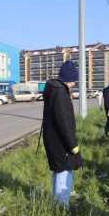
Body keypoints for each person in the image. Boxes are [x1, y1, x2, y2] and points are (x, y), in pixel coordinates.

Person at [42, 60, 82, 208]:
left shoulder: (55, 89)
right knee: (64, 173)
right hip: (60, 143)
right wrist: (73, 146)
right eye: (74, 80)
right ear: (68, 78)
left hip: (53, 140)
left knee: (58, 172)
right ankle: (61, 208)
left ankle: (57, 203)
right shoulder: (60, 93)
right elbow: (64, 123)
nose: (74, 84)